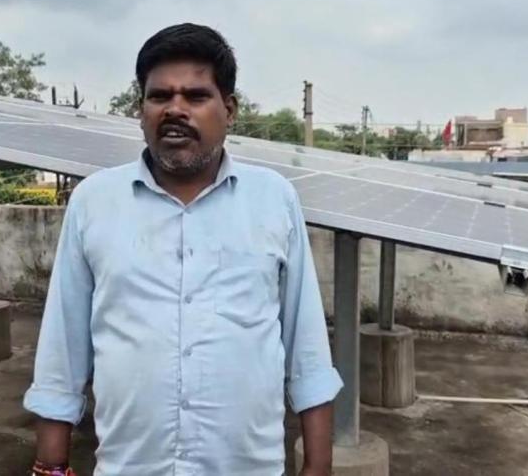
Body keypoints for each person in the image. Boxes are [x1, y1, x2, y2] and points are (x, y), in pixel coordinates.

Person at [23, 23, 343, 476]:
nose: (175, 109)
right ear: (141, 111)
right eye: (159, 96)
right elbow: (63, 346)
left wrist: (318, 465)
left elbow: (305, 344)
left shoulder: (274, 199)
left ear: (229, 109)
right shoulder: (95, 201)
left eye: (195, 96)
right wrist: (51, 467)